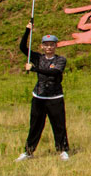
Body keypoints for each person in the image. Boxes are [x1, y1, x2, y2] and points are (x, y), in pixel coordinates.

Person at [16, 22, 69, 161]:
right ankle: (28, 151)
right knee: (35, 125)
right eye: (46, 45)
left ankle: (63, 150)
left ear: (56, 46)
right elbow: (22, 47)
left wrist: (34, 69)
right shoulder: (38, 58)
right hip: (39, 96)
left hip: (55, 97)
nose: (49, 47)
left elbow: (54, 72)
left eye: (52, 45)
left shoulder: (60, 60)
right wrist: (27, 30)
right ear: (42, 46)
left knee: (59, 125)